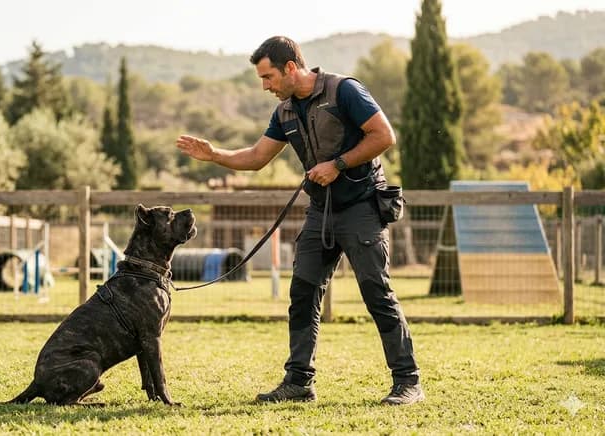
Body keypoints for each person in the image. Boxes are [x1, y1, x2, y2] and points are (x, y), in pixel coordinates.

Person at [176, 36, 423, 405]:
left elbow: (384, 135)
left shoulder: (344, 91)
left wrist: (338, 164)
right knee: (302, 293)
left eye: (268, 76)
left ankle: (407, 382)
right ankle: (298, 382)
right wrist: (215, 155)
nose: (265, 86)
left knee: (376, 293)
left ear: (291, 67)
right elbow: (258, 157)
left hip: (362, 209)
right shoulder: (285, 112)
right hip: (320, 212)